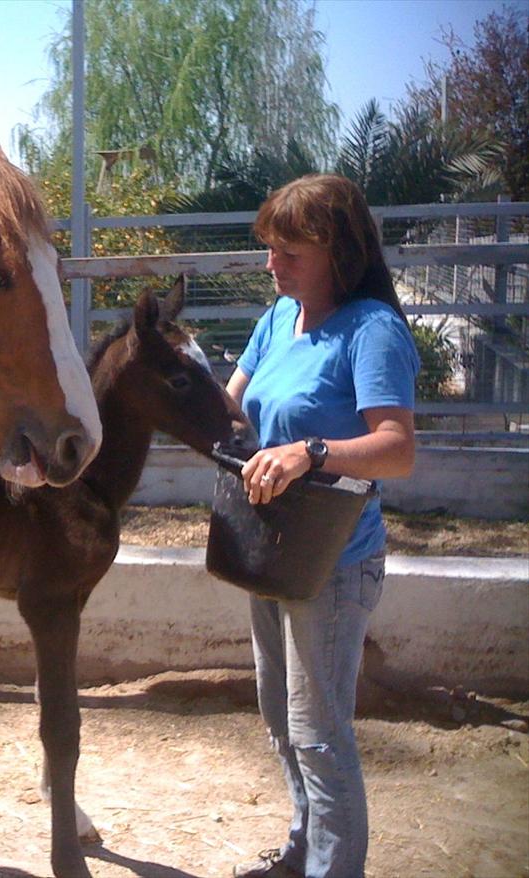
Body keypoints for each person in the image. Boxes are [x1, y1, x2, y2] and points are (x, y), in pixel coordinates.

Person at [224, 174, 420, 878]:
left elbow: (396, 448)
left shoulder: (373, 331)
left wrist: (311, 452)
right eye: (269, 250)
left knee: (320, 735)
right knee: (281, 718)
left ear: (337, 251)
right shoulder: (278, 318)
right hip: (268, 549)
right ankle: (304, 851)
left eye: (289, 252)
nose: (271, 265)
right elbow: (230, 408)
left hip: (334, 562)